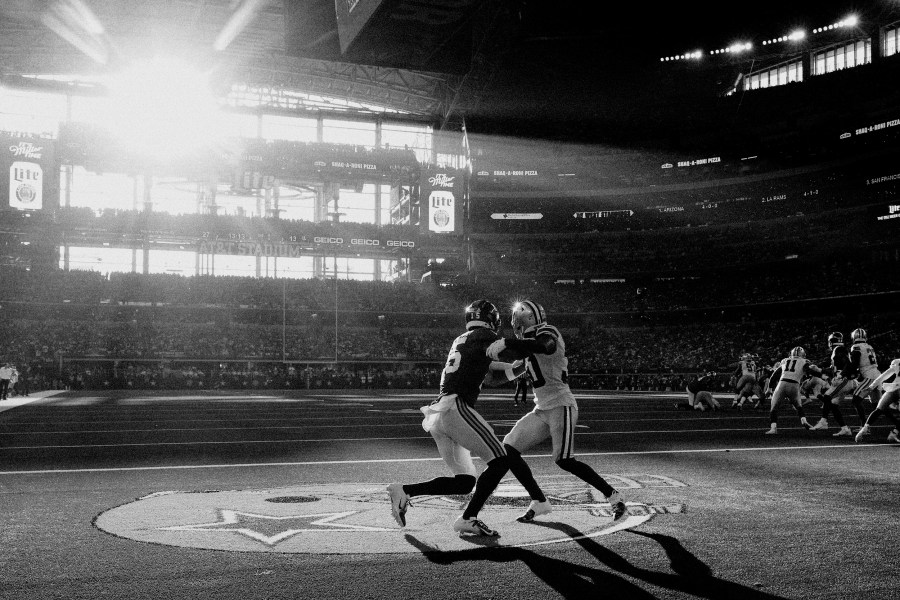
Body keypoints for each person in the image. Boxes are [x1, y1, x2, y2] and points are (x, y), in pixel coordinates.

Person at [386, 299, 554, 537]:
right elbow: (512, 350)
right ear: (491, 320)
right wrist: (533, 347)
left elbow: (491, 378)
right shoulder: (483, 335)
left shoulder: (464, 340)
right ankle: (468, 517)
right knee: (501, 459)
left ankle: (403, 490)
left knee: (465, 482)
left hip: (439, 415)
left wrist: (520, 368)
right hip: (456, 408)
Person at [501, 300, 627, 522]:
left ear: (529, 320)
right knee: (508, 449)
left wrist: (506, 343)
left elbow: (545, 346)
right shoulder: (528, 344)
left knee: (564, 460)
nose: (516, 326)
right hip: (542, 408)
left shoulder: (547, 332)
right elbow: (513, 372)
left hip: (561, 404)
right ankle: (539, 501)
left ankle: (614, 497)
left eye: (518, 322)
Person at [809, 332, 857, 437]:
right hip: (842, 380)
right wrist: (819, 369)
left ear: (831, 341)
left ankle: (823, 421)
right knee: (833, 405)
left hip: (843, 380)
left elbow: (849, 364)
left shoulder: (838, 350)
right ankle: (845, 429)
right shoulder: (839, 350)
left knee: (827, 396)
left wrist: (842, 374)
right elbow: (833, 369)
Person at [764, 347, 820, 435]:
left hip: (782, 384)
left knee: (774, 407)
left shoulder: (785, 360)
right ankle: (804, 421)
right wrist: (821, 374)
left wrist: (769, 389)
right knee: (798, 406)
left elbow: (775, 374)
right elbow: (809, 371)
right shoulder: (805, 361)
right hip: (794, 384)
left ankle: (773, 428)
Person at [855, 358, 900, 444]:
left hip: (893, 388)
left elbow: (884, 376)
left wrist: (871, 387)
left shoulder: (897, 362)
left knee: (879, 409)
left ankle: (864, 429)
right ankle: (895, 432)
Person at [845, 328, 882, 431]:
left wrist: (847, 372)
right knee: (879, 406)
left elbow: (855, 363)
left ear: (854, 337)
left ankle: (863, 427)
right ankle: (897, 425)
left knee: (856, 400)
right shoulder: (869, 346)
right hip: (877, 375)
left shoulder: (856, 346)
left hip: (869, 376)